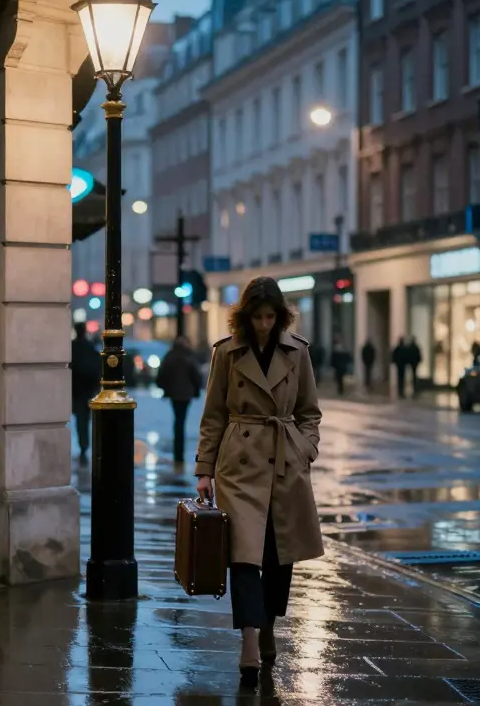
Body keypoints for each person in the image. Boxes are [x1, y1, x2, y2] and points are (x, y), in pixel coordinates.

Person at [194, 276, 324, 686]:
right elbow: (213, 413)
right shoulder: (227, 353)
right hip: (240, 463)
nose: (265, 324)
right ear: (246, 315)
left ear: (280, 316)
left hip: (286, 460)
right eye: (258, 316)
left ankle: (267, 623)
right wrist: (204, 469)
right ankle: (250, 640)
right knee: (244, 555)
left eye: (271, 317)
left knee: (279, 554)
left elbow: (310, 411)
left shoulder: (297, 351)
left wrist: (307, 447)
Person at [157, 335, 204, 464]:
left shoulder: (169, 357)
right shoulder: (189, 357)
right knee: (181, 420)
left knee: (178, 420)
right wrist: (196, 389)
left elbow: (161, 375)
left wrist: (165, 387)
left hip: (174, 394)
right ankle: (179, 451)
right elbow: (196, 375)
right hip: (186, 394)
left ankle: (178, 451)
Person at [71, 324, 101, 461]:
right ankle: (84, 445)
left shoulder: (72, 347)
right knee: (83, 420)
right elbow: (97, 369)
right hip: (86, 390)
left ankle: (83, 445)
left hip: (74, 389)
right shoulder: (90, 348)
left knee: (80, 419)